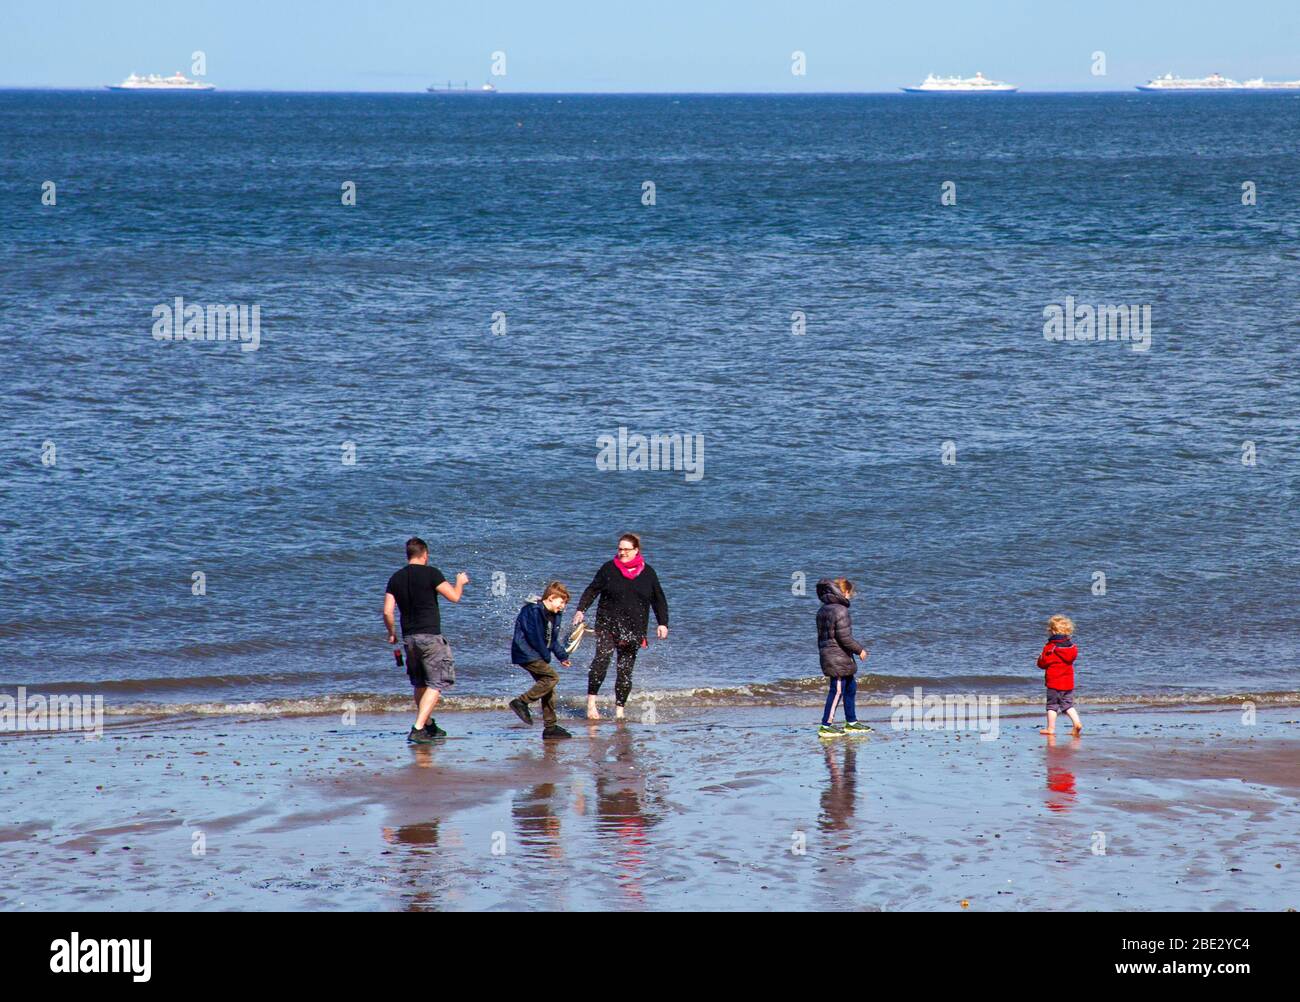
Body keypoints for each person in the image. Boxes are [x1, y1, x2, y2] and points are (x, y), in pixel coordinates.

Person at [573, 532, 669, 720]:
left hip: (634, 628)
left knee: (625, 670)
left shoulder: (648, 573)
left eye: (626, 549)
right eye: (620, 549)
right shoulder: (608, 569)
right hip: (607, 624)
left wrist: (663, 623)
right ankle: (591, 705)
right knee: (601, 660)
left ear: (636, 550)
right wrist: (581, 609)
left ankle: (619, 711)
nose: (622, 552)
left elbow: (659, 599)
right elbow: (592, 589)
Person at [382, 537, 468, 743]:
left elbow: (387, 611)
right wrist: (460, 582)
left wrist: (391, 633)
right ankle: (418, 727)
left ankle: (428, 724)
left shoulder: (396, 578)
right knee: (437, 682)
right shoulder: (431, 573)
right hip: (430, 636)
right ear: (425, 554)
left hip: (409, 638)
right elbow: (454, 597)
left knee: (420, 683)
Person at [508, 581, 575, 739]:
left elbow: (552, 640)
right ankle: (521, 702)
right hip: (525, 652)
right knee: (552, 677)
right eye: (562, 602)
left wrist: (562, 656)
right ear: (551, 598)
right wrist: (546, 655)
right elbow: (535, 637)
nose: (563, 606)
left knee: (548, 687)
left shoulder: (554, 615)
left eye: (564, 603)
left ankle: (550, 728)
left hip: (537, 653)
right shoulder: (533, 610)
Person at [816, 577, 870, 737]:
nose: (850, 596)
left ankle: (851, 722)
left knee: (850, 687)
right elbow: (844, 638)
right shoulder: (840, 610)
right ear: (844, 592)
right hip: (836, 657)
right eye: (849, 593)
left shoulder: (823, 609)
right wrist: (859, 650)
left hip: (835, 655)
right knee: (838, 690)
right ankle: (826, 725)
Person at [1037, 615, 1082, 736]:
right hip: (1068, 683)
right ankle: (1077, 722)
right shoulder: (1072, 647)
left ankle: (1050, 728)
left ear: (1052, 631)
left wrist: (1040, 658)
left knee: (1052, 706)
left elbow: (1042, 663)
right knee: (1068, 705)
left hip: (1054, 682)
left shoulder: (1050, 647)